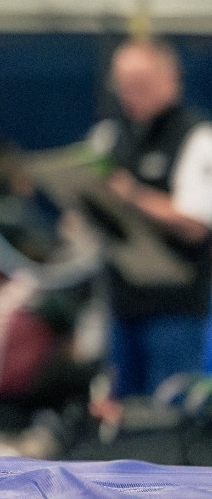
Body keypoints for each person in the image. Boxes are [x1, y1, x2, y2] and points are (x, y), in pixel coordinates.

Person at [90, 37, 212, 398]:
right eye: (124, 86)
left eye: (140, 85)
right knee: (120, 417)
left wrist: (133, 196)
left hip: (175, 307)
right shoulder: (111, 137)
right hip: (122, 302)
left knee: (167, 417)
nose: (131, 95)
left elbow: (195, 223)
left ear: (170, 78)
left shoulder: (196, 136)